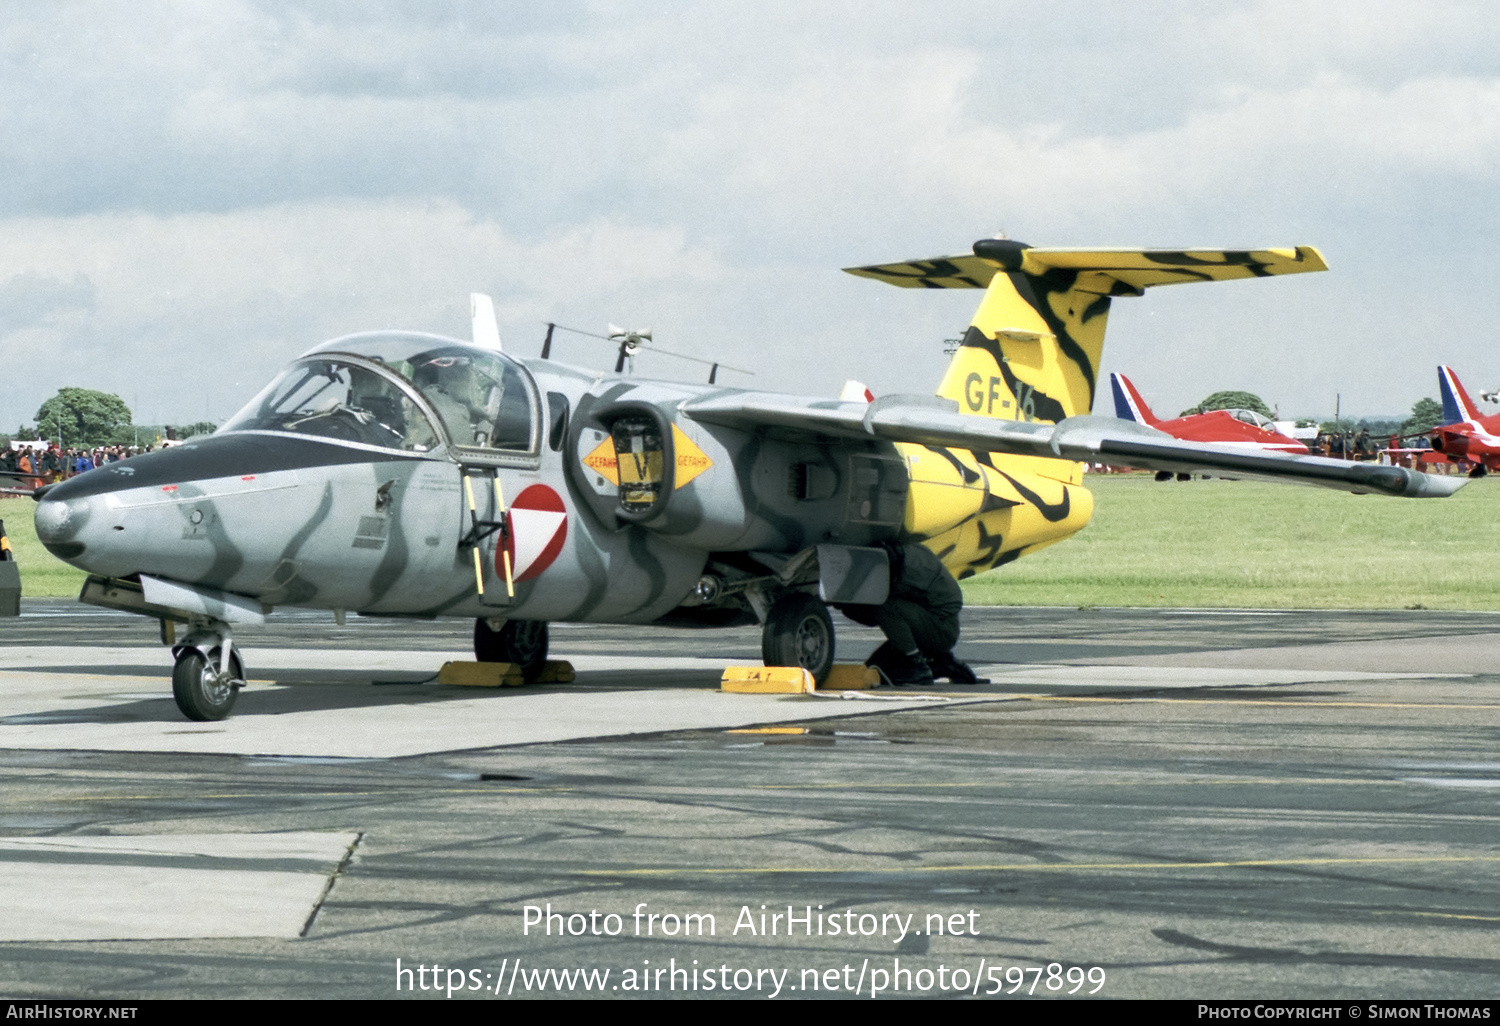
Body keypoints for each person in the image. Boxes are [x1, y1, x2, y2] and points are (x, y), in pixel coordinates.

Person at [838, 541, 986, 686]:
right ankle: (942, 662)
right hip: (935, 627)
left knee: (888, 608)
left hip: (940, 631)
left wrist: (843, 600)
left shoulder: (910, 573)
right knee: (874, 668)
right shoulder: (907, 555)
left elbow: (874, 615)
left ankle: (917, 667)